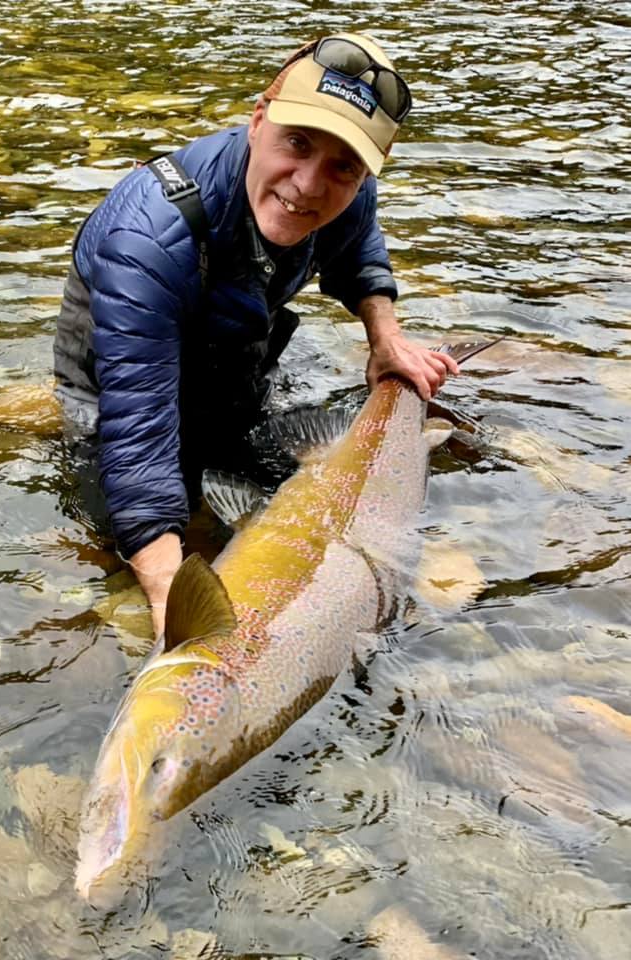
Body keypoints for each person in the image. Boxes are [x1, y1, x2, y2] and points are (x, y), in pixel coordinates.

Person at [53, 32, 459, 636]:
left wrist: (384, 335)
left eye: (343, 167)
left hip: (228, 361)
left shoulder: (349, 191)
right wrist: (175, 608)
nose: (310, 185)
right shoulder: (147, 237)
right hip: (116, 388)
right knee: (146, 557)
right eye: (297, 143)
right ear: (258, 120)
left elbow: (358, 248)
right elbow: (137, 432)